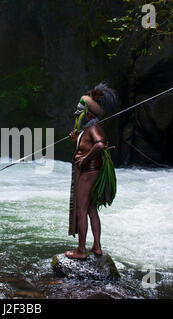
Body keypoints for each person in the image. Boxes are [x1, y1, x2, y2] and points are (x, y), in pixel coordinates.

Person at [66, 83, 118, 260]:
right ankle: (96, 247)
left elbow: (101, 144)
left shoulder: (93, 128)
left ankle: (81, 251)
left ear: (88, 113)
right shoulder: (87, 129)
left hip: (88, 172)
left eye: (80, 110)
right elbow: (89, 144)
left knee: (82, 209)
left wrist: (84, 159)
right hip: (89, 171)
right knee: (90, 209)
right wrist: (76, 140)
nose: (76, 113)